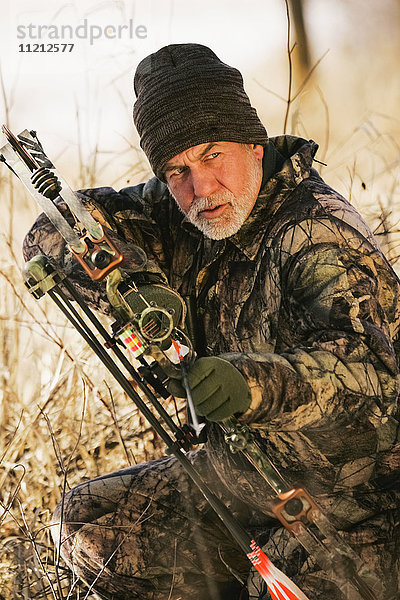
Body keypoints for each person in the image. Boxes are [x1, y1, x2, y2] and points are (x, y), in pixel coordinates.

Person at [23, 44, 400, 600]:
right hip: (242, 474)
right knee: (86, 521)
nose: (200, 188)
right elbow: (57, 228)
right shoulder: (180, 208)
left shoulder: (318, 233)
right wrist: (137, 285)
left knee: (282, 584)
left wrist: (247, 384)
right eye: (176, 169)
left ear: (253, 143)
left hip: (354, 499)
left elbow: (376, 376)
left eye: (212, 154)